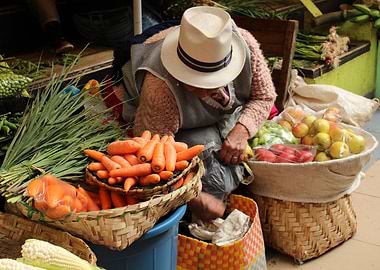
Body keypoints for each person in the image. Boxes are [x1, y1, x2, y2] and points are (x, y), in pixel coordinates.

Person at [108, 6, 277, 221]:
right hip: (167, 124)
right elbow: (150, 159)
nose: (201, 89)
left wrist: (241, 131)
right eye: (192, 80)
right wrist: (194, 198)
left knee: (234, 157)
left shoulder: (245, 46)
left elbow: (264, 96)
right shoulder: (160, 88)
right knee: (212, 176)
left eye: (210, 82)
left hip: (213, 114)